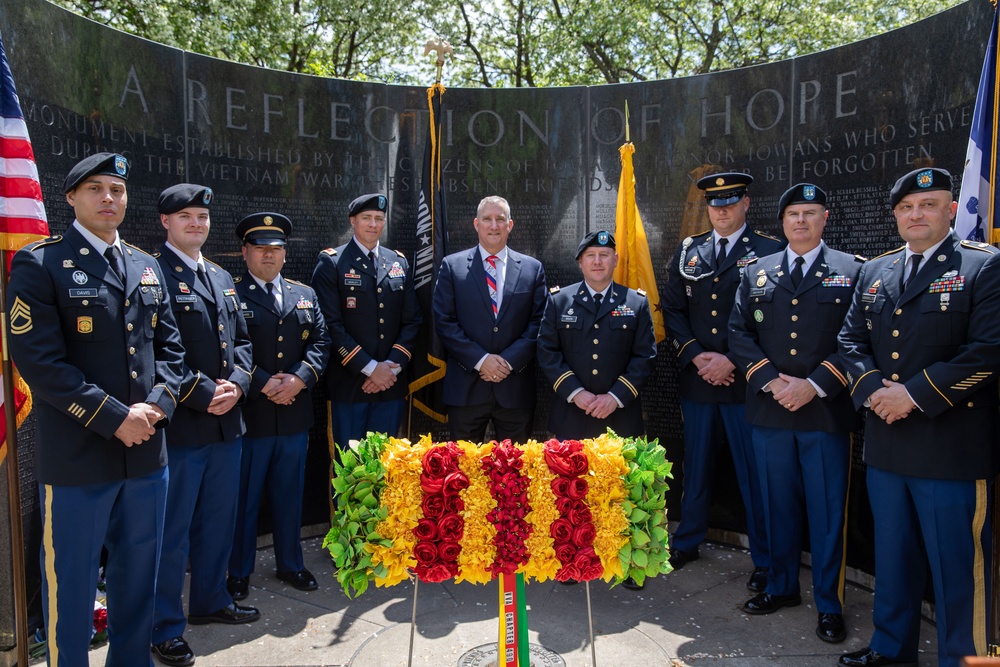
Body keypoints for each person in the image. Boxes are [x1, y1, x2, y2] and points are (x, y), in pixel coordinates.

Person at [6, 153, 184, 666]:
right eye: (95, 189)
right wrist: (115, 419)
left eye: (118, 190)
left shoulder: (147, 266)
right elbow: (39, 362)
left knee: (137, 581)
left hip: (147, 457)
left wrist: (153, 409)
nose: (109, 198)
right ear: (71, 199)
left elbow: (171, 353)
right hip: (79, 459)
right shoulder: (41, 263)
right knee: (72, 587)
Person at [837, 168, 1000, 667]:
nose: (916, 214)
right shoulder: (876, 271)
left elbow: (988, 351)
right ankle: (891, 649)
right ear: (896, 216)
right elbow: (850, 340)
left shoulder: (983, 267)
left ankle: (966, 658)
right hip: (887, 445)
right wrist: (871, 391)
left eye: (928, 204)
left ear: (951, 210)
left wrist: (911, 396)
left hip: (950, 448)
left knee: (959, 570)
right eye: (907, 207)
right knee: (894, 558)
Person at [728, 183, 861, 644]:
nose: (800, 221)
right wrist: (772, 381)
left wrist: (814, 385)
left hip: (824, 413)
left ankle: (829, 603)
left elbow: (858, 338)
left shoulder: (854, 270)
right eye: (792, 215)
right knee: (776, 506)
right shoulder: (757, 273)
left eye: (809, 213)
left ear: (825, 218)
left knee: (827, 514)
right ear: (782, 222)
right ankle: (782, 586)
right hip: (771, 411)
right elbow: (739, 334)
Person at [151, 184, 258, 667]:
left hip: (226, 425)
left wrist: (236, 384)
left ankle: (212, 601)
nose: (196, 224)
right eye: (185, 216)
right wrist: (203, 394)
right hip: (183, 426)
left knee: (218, 522)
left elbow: (242, 343)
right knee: (171, 533)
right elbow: (154, 352)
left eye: (202, 216)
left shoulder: (219, 275)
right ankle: (164, 627)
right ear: (165, 222)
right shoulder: (152, 273)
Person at [663, 172, 783, 592]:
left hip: (745, 382)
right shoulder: (688, 251)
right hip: (699, 379)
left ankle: (766, 558)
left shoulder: (770, 250)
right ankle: (688, 539)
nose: (722, 210)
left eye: (730, 202)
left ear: (746, 204)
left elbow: (776, 321)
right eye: (715, 204)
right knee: (695, 466)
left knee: (755, 473)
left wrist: (732, 361)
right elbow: (674, 311)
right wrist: (698, 357)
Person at [227, 213, 331, 601]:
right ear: (245, 252)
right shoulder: (231, 294)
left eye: (276, 249)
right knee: (245, 499)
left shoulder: (304, 294)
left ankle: (291, 564)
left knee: (290, 495)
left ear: (285, 254)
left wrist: (301, 378)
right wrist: (262, 382)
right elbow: (226, 348)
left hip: (293, 414)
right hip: (252, 416)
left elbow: (321, 341)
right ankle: (238, 571)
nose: (268, 256)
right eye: (260, 249)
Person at [311, 193, 420, 466]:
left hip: (390, 387)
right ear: (353, 221)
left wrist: (391, 367)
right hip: (350, 387)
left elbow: (412, 320)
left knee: (387, 470)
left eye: (379, 219)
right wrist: (372, 368)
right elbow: (330, 325)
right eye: (366, 218)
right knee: (349, 471)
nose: (373, 224)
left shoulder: (398, 262)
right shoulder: (332, 263)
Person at [432, 195, 547, 443]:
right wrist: (481, 360)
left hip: (514, 390)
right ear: (476, 224)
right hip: (466, 389)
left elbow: (539, 322)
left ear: (510, 225)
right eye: (487, 219)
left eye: (500, 219)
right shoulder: (452, 267)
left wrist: (507, 361)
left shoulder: (532, 269)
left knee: (515, 473)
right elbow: (444, 321)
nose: (493, 225)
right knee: (462, 473)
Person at [537, 230, 656, 440]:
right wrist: (575, 393)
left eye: (605, 254)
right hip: (571, 415)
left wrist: (614, 397)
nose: (597, 261)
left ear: (616, 260)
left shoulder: (635, 303)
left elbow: (644, 356)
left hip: (620, 417)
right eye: (591, 255)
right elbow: (547, 351)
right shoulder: (559, 301)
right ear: (580, 262)